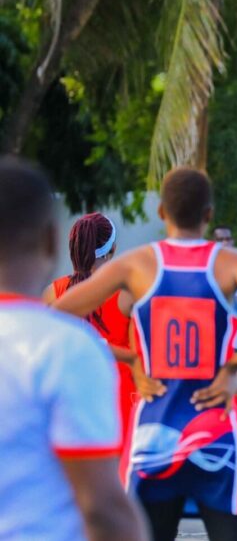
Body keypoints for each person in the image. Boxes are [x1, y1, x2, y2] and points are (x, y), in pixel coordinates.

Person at [54, 167, 237, 541]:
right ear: (209, 214)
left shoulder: (137, 265)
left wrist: (129, 359)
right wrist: (235, 364)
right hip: (216, 427)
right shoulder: (230, 262)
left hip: (156, 426)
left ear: (162, 213)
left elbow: (57, 314)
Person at [0, 157, 148, 541]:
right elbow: (136, 351)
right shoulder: (123, 292)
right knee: (111, 478)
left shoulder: (57, 291)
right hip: (118, 392)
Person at [44, 212, 137, 445]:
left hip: (70, 401)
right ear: (111, 250)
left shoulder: (53, 292)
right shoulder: (126, 294)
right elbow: (140, 355)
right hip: (118, 403)